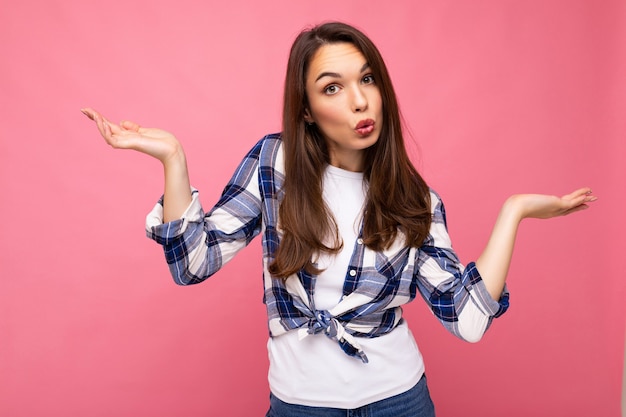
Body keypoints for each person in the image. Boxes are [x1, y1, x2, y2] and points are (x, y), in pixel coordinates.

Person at [81, 21, 596, 417]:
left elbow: (469, 319)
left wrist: (515, 212)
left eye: (367, 79)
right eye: (332, 87)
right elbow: (192, 262)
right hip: (300, 403)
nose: (358, 100)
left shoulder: (415, 198)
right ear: (305, 108)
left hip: (399, 399)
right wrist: (173, 156)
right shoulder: (274, 164)